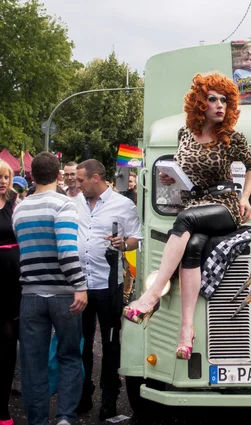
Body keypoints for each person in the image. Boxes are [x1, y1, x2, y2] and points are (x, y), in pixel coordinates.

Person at [123, 73, 251, 361]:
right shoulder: (184, 134)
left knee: (185, 221)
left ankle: (151, 296)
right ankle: (187, 330)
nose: (220, 105)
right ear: (200, 103)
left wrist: (245, 197)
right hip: (194, 201)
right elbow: (183, 170)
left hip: (224, 205)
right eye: (213, 99)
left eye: (224, 100)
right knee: (193, 246)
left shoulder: (232, 138)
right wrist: (168, 177)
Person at [12, 152, 87, 425]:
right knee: (68, 356)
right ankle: (66, 417)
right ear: (58, 175)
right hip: (63, 294)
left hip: (30, 294)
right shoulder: (64, 205)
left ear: (32, 176)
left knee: (33, 364)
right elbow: (67, 253)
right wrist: (80, 286)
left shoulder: (20, 208)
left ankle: (38, 420)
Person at [73, 159, 142, 420]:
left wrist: (123, 243)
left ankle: (109, 396)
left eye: (81, 180)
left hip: (107, 283)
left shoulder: (123, 205)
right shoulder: (75, 202)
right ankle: (83, 393)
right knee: (82, 342)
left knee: (111, 343)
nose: (77, 184)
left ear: (96, 178)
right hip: (79, 283)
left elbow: (137, 238)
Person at [0, 161, 20, 425]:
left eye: (6, 176)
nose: (2, 181)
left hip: (12, 282)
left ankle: (2, 407)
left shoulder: (16, 204)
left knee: (7, 343)